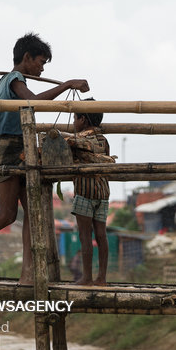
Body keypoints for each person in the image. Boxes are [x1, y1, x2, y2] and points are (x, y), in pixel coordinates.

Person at [0, 33, 90, 283]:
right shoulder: (14, 79)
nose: (42, 68)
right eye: (41, 62)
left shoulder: (4, 84)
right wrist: (66, 85)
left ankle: (27, 275)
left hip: (22, 149)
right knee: (6, 213)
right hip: (10, 149)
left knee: (33, 213)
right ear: (27, 57)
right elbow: (32, 101)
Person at [68, 99, 111, 286]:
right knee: (101, 235)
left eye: (75, 119)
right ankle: (101, 277)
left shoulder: (77, 140)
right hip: (103, 192)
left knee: (85, 236)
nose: (73, 123)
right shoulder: (104, 140)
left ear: (83, 119)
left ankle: (86, 277)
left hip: (85, 191)